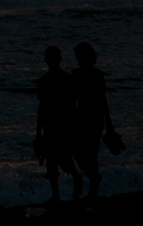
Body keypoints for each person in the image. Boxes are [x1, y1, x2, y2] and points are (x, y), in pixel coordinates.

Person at [36, 45, 83, 203]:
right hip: (49, 126)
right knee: (51, 162)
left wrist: (72, 124)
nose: (50, 61)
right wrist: (38, 132)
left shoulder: (66, 79)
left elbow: (72, 103)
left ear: (59, 59)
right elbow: (41, 107)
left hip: (63, 125)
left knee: (64, 160)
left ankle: (76, 177)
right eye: (48, 58)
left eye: (53, 57)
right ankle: (55, 195)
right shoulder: (43, 81)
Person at [70, 41, 116, 200]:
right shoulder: (77, 74)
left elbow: (103, 100)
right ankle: (94, 178)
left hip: (92, 118)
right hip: (84, 117)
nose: (76, 58)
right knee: (79, 154)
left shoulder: (93, 74)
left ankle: (93, 187)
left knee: (88, 154)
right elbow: (72, 99)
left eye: (78, 55)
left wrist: (109, 125)